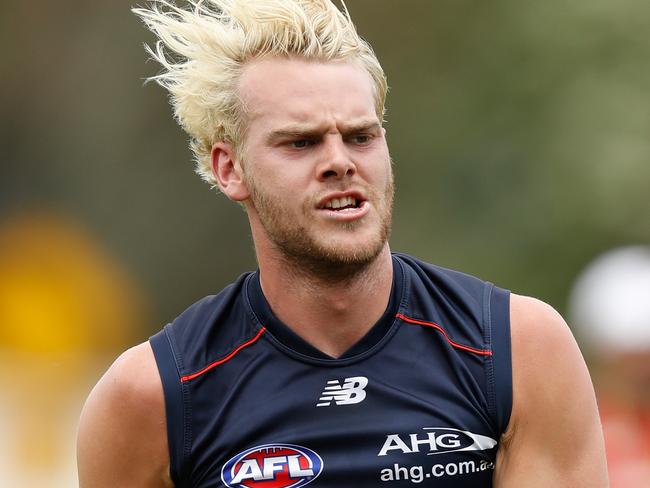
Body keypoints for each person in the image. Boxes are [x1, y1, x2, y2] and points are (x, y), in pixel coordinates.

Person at [76, 1, 608, 486]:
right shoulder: (151, 397)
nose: (340, 161)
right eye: (301, 142)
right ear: (229, 168)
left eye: (361, 136)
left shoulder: (518, 350)